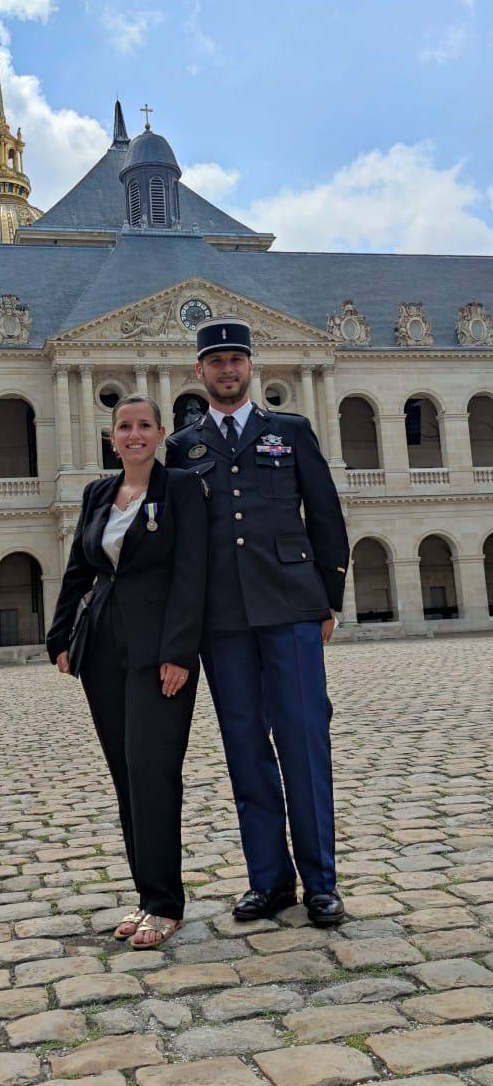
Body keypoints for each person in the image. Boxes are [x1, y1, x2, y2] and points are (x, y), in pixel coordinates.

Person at [166, 319, 349, 927]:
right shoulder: (183, 447)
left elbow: (324, 513)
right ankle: (268, 881)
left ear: (251, 367)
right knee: (245, 749)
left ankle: (321, 882)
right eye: (215, 361)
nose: (226, 369)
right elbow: (178, 546)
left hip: (292, 607)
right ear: (199, 371)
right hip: (223, 619)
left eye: (236, 359)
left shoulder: (289, 432)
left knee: (303, 741)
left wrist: (330, 597)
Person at [46, 394, 207, 948]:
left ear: (161, 433)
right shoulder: (98, 492)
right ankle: (146, 897)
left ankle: (166, 903)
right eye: (124, 426)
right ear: (111, 436)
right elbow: (77, 570)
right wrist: (62, 637)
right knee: (124, 773)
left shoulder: (182, 489)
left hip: (159, 648)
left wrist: (181, 652)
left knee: (153, 770)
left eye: (144, 425)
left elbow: (192, 573)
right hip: (103, 645)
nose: (134, 434)